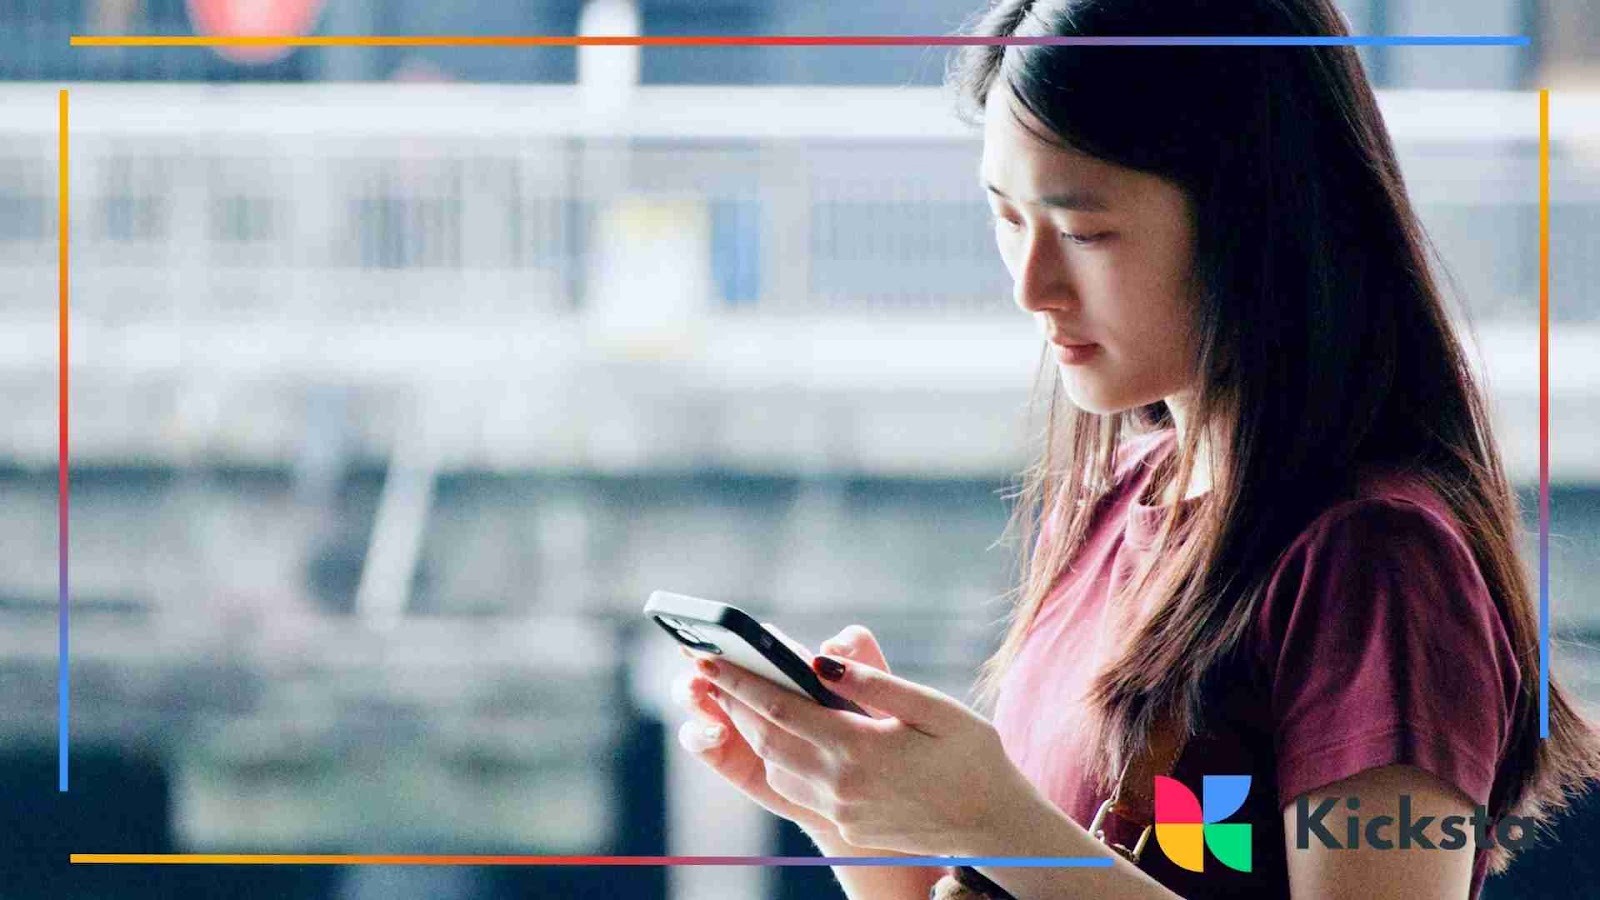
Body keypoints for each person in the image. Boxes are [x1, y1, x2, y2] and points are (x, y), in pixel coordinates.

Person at [670, 0, 1600, 897]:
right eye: (1006, 217)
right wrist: (852, 815)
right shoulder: (1115, 498)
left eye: (1084, 231)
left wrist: (993, 823)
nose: (1032, 285)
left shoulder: (1379, 561)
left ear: (1257, 221)